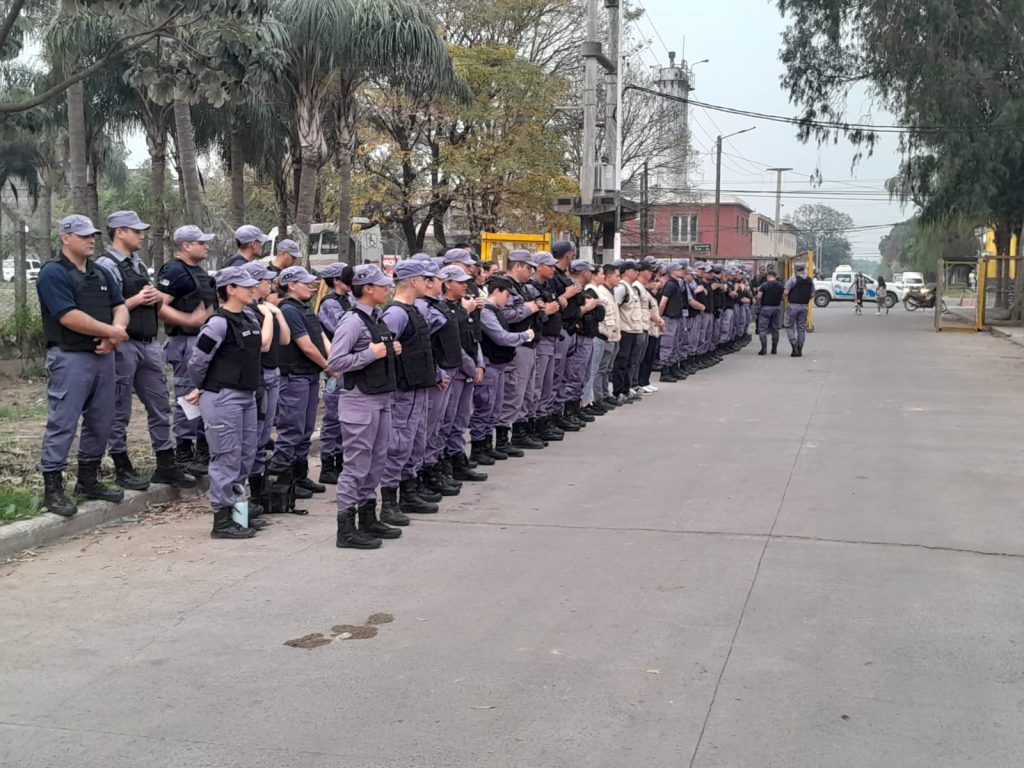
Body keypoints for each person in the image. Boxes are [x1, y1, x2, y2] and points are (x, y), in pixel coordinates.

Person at [37, 215, 130, 516]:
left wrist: (114, 336)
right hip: (70, 357)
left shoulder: (100, 272)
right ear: (65, 237)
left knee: (102, 420)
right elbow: (68, 316)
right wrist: (111, 333)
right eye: (83, 235)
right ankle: (53, 487)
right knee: (63, 422)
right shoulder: (54, 273)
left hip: (104, 357)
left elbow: (120, 306)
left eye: (93, 235)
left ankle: (87, 481)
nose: (91, 240)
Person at [96, 211, 193, 491]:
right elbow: (106, 309)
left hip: (149, 343)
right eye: (136, 231)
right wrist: (138, 299)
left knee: (160, 404)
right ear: (120, 232)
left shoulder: (137, 264)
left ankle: (166, 463)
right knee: (119, 407)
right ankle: (121, 464)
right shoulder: (106, 265)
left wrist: (152, 298)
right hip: (124, 344)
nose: (141, 235)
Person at [185, 266, 276, 539]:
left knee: (246, 455)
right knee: (226, 456)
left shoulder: (247, 317)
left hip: (247, 396)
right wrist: (203, 386)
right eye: (244, 285)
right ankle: (222, 521)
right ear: (230, 289)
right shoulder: (218, 323)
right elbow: (197, 362)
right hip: (223, 396)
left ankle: (239, 514)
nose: (252, 288)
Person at [327, 264, 403, 550]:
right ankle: (346, 528)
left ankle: (368, 517)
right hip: (360, 400)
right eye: (382, 285)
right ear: (367, 288)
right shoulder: (352, 321)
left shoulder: (376, 317)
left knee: (376, 461)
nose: (388, 289)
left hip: (381, 397)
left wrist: (390, 351)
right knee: (357, 465)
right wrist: (369, 355)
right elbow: (335, 363)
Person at [380, 260, 444, 518]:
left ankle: (408, 492)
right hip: (403, 391)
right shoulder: (396, 313)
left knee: (414, 444)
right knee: (398, 445)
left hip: (418, 387)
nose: (427, 282)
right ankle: (388, 502)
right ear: (413, 281)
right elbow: (384, 349)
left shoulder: (413, 310)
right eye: (423, 278)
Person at [156, 225, 218, 475]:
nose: (206, 246)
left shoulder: (198, 271)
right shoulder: (174, 270)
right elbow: (158, 306)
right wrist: (188, 320)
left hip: (204, 341)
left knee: (204, 394)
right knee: (187, 396)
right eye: (201, 242)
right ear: (186, 246)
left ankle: (202, 448)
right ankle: (183, 450)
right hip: (185, 342)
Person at [271, 266, 331, 496]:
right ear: (291, 285)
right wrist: (328, 366)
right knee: (291, 429)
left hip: (309, 375)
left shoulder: (304, 307)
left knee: (305, 429)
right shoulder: (288, 309)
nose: (312, 286)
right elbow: (305, 345)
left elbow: (320, 336)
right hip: (294, 376)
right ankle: (283, 483)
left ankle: (300, 476)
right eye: (305, 282)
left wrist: (331, 361)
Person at [241, 260, 290, 514]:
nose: (271, 284)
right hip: (258, 377)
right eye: (266, 281)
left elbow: (284, 339)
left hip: (273, 373)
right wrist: (269, 315)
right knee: (253, 438)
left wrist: (277, 313)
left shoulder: (263, 308)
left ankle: (259, 496)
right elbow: (264, 342)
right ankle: (248, 499)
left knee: (263, 436)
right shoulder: (249, 311)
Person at [469, 276, 535, 460]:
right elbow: (501, 337)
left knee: (495, 408)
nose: (508, 300)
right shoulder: (486, 312)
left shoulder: (493, 310)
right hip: (490, 365)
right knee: (485, 407)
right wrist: (525, 335)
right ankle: (478, 447)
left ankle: (487, 445)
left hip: (498, 365)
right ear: (497, 291)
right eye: (507, 295)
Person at [435, 265, 488, 483]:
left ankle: (457, 459)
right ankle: (442, 463)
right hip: (454, 371)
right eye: (460, 281)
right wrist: (470, 366)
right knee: (446, 421)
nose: (466, 285)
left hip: (468, 369)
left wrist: (480, 363)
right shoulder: (443, 309)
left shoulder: (463, 307)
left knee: (461, 420)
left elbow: (474, 338)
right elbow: (454, 345)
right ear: (447, 283)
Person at [500, 250, 545, 450]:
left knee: (529, 392)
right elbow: (504, 315)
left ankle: (520, 432)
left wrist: (537, 307)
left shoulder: (523, 287)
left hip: (530, 343)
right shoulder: (504, 287)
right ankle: (502, 438)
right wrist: (529, 309)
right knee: (514, 392)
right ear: (517, 265)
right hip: (516, 345)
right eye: (528, 267)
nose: (531, 272)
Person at [315, 261, 354, 484]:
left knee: (345, 416)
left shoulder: (347, 300)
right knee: (333, 416)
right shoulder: (330, 303)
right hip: (336, 365)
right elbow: (342, 328)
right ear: (336, 281)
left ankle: (340, 459)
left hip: (348, 364)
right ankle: (328, 462)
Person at [612, 261, 644, 404]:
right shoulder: (621, 288)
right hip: (624, 329)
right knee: (621, 362)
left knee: (630, 361)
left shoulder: (632, 288)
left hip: (633, 329)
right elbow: (615, 307)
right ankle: (618, 391)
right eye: (634, 270)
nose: (637, 272)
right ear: (626, 272)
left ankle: (626, 388)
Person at [591, 264, 621, 409]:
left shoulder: (610, 291)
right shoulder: (600, 292)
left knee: (606, 368)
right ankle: (598, 397)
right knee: (599, 369)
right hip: (604, 334)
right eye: (617, 275)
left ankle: (604, 393)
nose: (619, 279)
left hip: (612, 334)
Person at [784, 263, 814, 357]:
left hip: (793, 306)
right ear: (804, 269)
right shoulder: (809, 280)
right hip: (804, 306)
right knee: (801, 328)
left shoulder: (793, 278)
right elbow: (812, 294)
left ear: (795, 269)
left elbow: (786, 291)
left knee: (789, 326)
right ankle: (800, 349)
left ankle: (794, 345)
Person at [756, 268, 785, 355]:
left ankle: (763, 349)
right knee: (775, 329)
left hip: (766, 308)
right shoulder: (780, 285)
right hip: (776, 308)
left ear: (768, 276)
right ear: (775, 277)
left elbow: (759, 297)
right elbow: (783, 298)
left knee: (762, 329)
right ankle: (774, 349)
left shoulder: (764, 285)